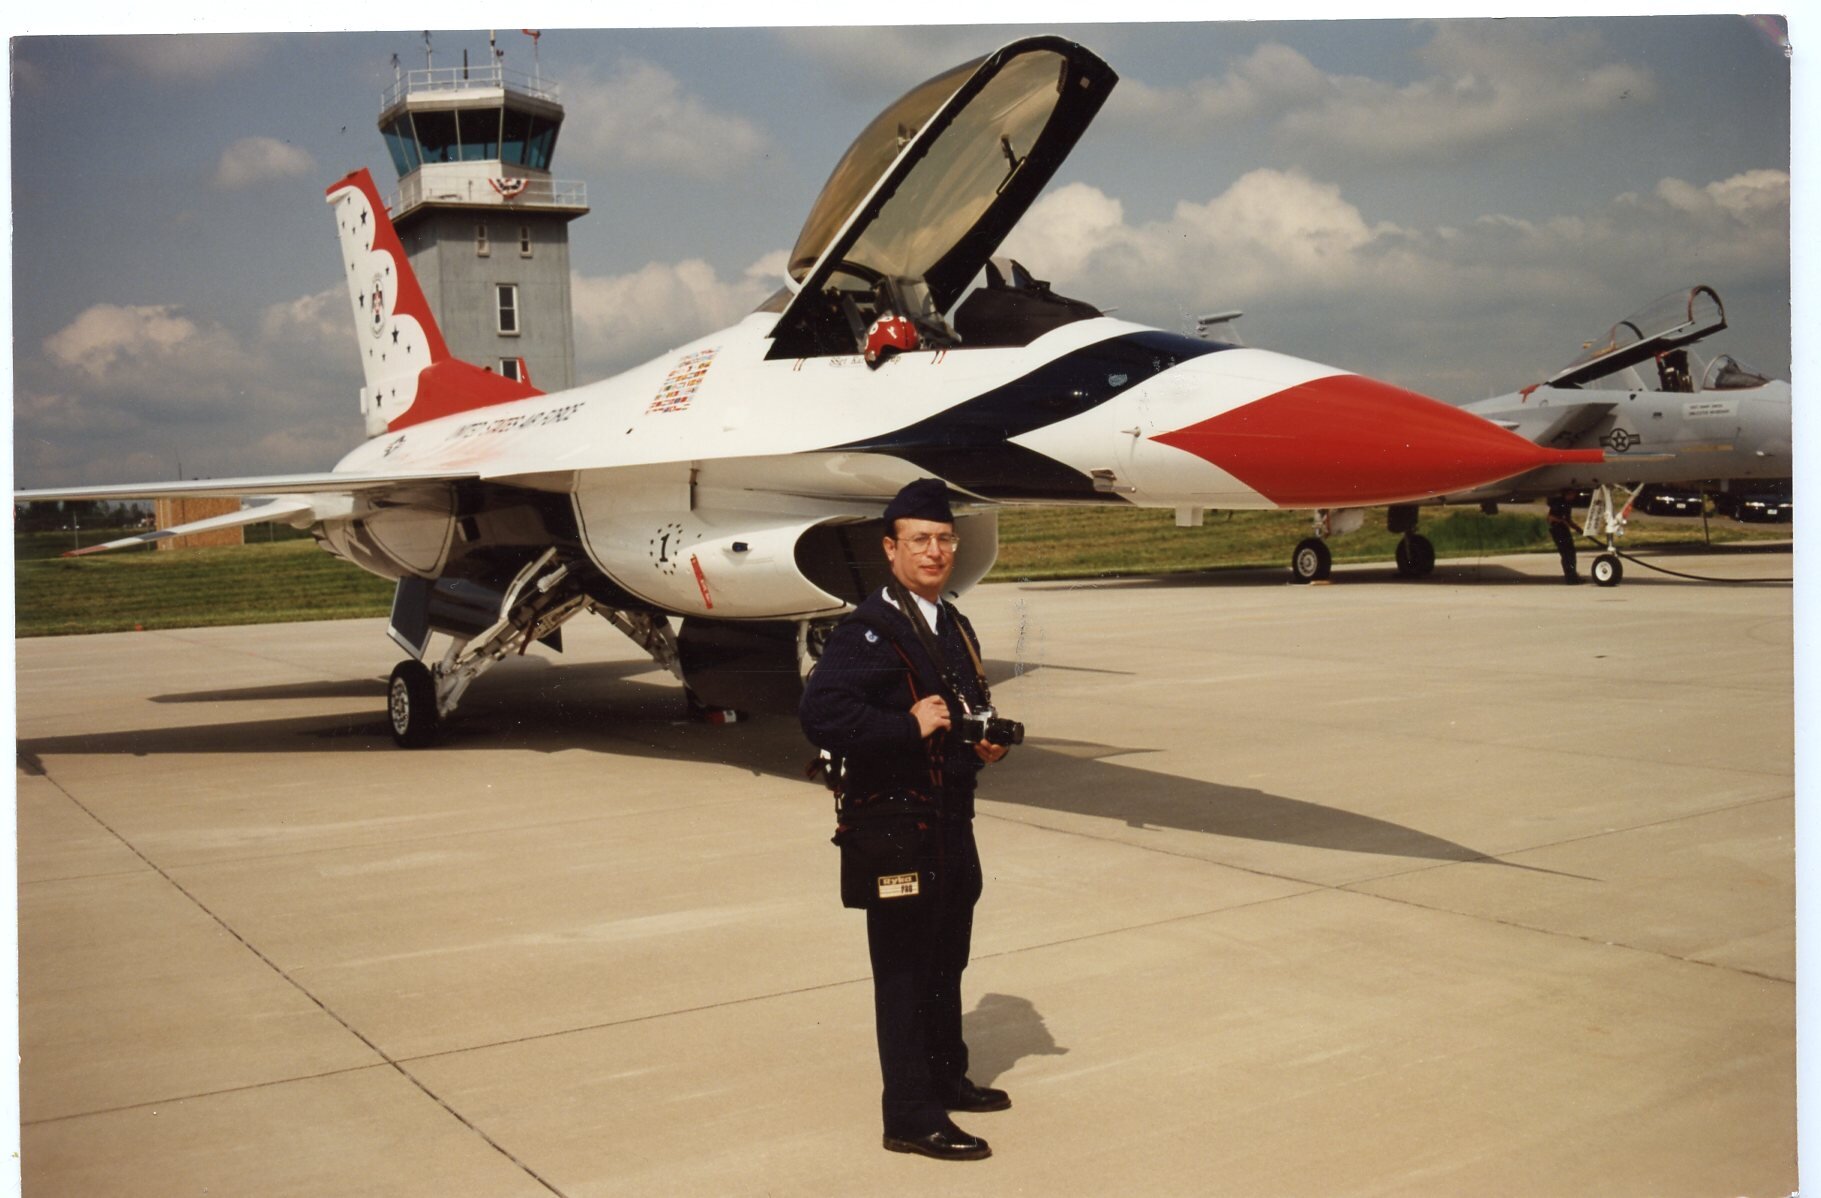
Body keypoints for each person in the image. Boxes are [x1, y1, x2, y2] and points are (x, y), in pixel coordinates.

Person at [799, 478, 1012, 1162]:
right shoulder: (869, 628)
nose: (934, 551)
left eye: (944, 539)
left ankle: (945, 1077)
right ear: (890, 549)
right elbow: (821, 714)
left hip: (948, 820)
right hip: (894, 827)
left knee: (946, 956)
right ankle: (910, 1116)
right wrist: (905, 726)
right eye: (919, 539)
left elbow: (961, 706)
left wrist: (982, 742)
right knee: (902, 970)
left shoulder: (952, 624)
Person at [1547, 489, 1583, 584]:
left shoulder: (1568, 504)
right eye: (1573, 494)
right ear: (1568, 494)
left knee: (1571, 553)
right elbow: (1550, 518)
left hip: (1564, 530)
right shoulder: (1558, 503)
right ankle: (1570, 577)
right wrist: (1561, 521)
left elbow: (1568, 520)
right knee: (1566, 554)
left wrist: (1577, 528)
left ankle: (1573, 575)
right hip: (1557, 530)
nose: (1574, 496)